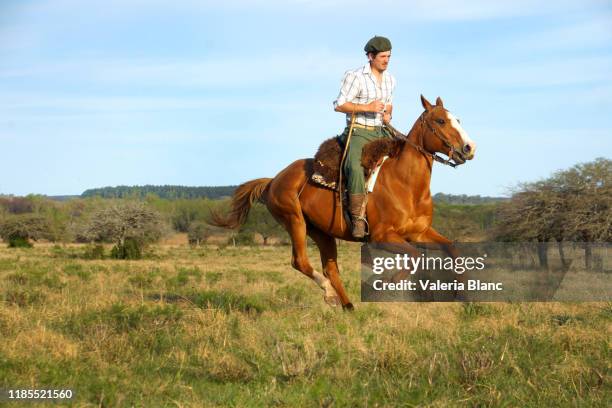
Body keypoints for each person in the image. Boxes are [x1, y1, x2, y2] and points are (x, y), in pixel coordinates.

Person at [333, 36, 396, 238]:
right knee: (354, 166)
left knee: (408, 155)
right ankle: (358, 218)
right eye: (382, 57)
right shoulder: (355, 77)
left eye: (389, 56)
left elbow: (390, 104)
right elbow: (339, 104)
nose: (386, 60)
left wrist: (388, 114)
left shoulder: (391, 80)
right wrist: (367, 107)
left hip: (381, 131)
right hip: (359, 130)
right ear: (370, 56)